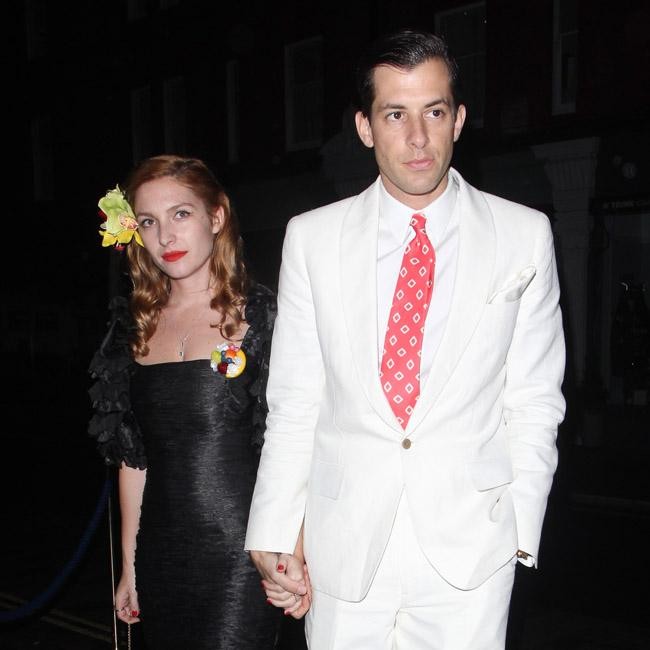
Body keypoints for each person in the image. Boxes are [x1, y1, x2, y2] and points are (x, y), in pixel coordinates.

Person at [245, 29, 566, 649]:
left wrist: (519, 532)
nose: (417, 137)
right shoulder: (312, 239)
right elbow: (295, 400)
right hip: (344, 547)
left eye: (434, 112)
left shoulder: (523, 235)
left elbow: (534, 399)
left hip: (472, 552)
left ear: (458, 120)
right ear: (365, 127)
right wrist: (275, 528)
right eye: (395, 114)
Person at [88, 155, 283, 649]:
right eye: (149, 222)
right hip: (161, 553)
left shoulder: (263, 317)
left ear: (216, 217)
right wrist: (130, 566)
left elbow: (292, 444)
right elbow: (134, 460)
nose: (165, 237)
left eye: (180, 214)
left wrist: (289, 546)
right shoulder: (132, 329)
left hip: (244, 554)